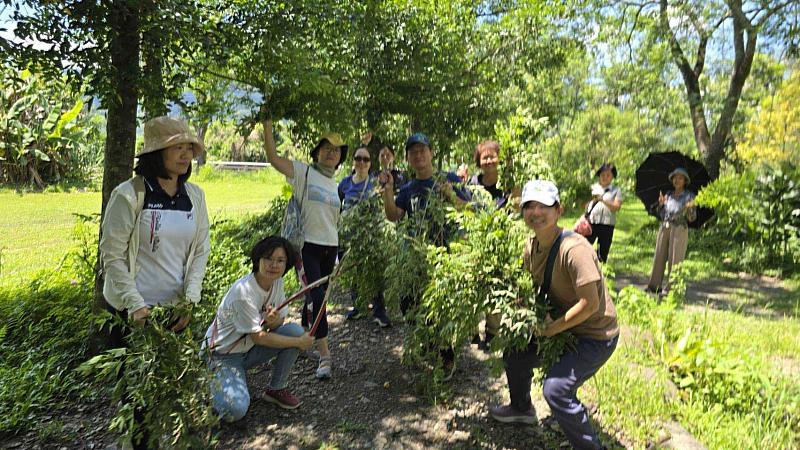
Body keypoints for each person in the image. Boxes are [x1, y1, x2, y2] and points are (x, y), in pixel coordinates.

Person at [99, 116, 210, 449]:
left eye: (188, 147)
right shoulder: (130, 194)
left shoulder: (195, 196)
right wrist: (136, 305)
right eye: (176, 147)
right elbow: (113, 257)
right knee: (139, 401)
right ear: (155, 153)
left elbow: (201, 250)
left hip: (175, 314)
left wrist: (189, 300)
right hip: (133, 316)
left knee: (176, 396)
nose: (184, 154)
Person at [489, 180, 619, 450]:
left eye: (543, 206)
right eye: (529, 206)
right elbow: (533, 288)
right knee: (516, 350)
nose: (535, 212)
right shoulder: (531, 248)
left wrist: (552, 328)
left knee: (556, 389)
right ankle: (522, 408)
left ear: (558, 210)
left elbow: (590, 304)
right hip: (566, 327)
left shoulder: (574, 250)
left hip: (595, 336)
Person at [379, 132, 471, 378]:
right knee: (409, 303)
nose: (418, 155)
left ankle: (445, 356)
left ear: (431, 153)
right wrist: (388, 190)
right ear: (408, 158)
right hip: (415, 257)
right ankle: (429, 346)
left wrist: (450, 195)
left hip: (444, 256)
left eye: (422, 150)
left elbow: (470, 209)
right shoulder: (409, 188)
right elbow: (393, 215)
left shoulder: (448, 179)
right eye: (413, 152)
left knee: (438, 307)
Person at [261, 114, 345, 379]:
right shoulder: (303, 172)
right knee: (318, 298)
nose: (332, 154)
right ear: (317, 152)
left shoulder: (334, 184)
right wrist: (267, 125)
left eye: (336, 151)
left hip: (330, 247)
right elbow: (274, 158)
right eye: (327, 149)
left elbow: (333, 221)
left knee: (318, 297)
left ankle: (307, 329)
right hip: (306, 248)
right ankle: (325, 357)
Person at [204, 236, 314, 421]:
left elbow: (277, 323)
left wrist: (274, 322)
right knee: (236, 410)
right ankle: (211, 381)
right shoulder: (244, 292)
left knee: (294, 330)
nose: (274, 265)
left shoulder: (276, 282)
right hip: (222, 355)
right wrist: (299, 343)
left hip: (248, 350)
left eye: (280, 260)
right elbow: (260, 337)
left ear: (287, 265)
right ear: (258, 259)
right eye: (268, 258)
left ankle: (276, 389)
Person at [338, 146, 391, 328]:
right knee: (353, 273)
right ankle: (358, 305)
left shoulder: (374, 182)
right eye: (358, 158)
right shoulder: (344, 183)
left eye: (366, 159)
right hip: (348, 239)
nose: (361, 162)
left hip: (370, 238)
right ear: (353, 161)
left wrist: (385, 165)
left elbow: (387, 188)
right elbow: (337, 208)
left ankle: (379, 312)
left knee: (374, 274)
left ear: (370, 163)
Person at [467, 140, 512, 350]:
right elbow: (464, 209)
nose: (488, 160)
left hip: (501, 244)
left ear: (499, 159)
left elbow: (517, 207)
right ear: (478, 161)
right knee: (475, 286)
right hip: (475, 242)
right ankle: (472, 331)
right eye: (484, 157)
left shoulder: (508, 184)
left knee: (495, 287)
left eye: (492, 156)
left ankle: (493, 332)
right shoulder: (472, 184)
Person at [646, 167, 697, 294]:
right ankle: (654, 286)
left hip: (679, 228)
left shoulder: (689, 196)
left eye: (680, 178)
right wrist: (661, 205)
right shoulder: (668, 194)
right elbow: (662, 214)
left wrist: (690, 208)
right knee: (659, 256)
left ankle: (672, 289)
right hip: (665, 227)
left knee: (676, 258)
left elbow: (692, 218)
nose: (677, 180)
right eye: (675, 177)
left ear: (685, 180)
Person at [586, 163, 622, 263]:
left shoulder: (616, 190)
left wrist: (603, 200)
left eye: (608, 175)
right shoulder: (592, 188)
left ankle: (601, 272)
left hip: (607, 225)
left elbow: (616, 207)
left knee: (603, 252)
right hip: (591, 223)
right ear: (599, 175)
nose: (605, 177)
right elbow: (583, 205)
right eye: (602, 174)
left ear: (612, 177)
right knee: (584, 247)